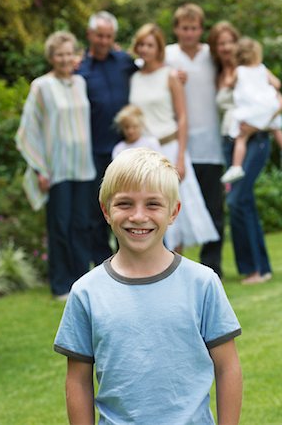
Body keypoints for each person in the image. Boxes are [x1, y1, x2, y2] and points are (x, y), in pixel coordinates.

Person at [54, 148, 242, 425]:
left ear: (173, 212)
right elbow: (78, 381)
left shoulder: (202, 283)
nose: (138, 216)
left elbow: (228, 368)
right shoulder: (86, 293)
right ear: (106, 210)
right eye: (125, 204)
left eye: (153, 204)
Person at [15, 31, 96, 300]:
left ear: (76, 55)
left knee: (82, 225)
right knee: (60, 226)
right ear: (51, 57)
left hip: (84, 167)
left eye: (69, 53)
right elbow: (29, 129)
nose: (64, 59)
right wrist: (40, 168)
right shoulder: (41, 86)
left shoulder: (81, 83)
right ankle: (61, 285)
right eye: (59, 54)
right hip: (56, 170)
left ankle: (82, 282)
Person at [129, 23, 219, 256]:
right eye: (141, 44)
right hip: (144, 152)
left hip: (170, 147)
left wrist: (180, 156)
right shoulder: (134, 77)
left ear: (159, 48)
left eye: (150, 45)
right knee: (148, 206)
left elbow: (182, 117)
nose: (145, 49)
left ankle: (175, 264)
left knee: (174, 210)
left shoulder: (170, 75)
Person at [209, 21, 273, 284]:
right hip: (230, 142)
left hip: (253, 138)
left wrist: (255, 125)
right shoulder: (218, 74)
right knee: (242, 202)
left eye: (229, 42)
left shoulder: (252, 71)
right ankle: (257, 267)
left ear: (237, 43)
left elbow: (278, 102)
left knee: (238, 200)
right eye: (220, 43)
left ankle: (256, 268)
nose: (225, 47)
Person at [165, 3, 225, 278]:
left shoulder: (212, 57)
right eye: (184, 28)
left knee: (214, 208)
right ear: (176, 29)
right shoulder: (167, 56)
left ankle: (212, 267)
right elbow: (140, 69)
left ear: (201, 29)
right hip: (179, 148)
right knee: (177, 208)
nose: (189, 33)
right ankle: (174, 266)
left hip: (211, 145)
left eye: (194, 28)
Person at [77, 11, 138, 265]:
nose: (103, 40)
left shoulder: (125, 61)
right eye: (99, 35)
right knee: (97, 213)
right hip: (94, 151)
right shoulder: (79, 69)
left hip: (126, 150)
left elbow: (151, 70)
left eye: (108, 36)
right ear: (90, 35)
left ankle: (136, 261)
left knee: (132, 207)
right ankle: (104, 267)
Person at [220, 36, 282, 183]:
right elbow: (277, 83)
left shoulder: (239, 70)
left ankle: (236, 166)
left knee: (241, 137)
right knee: (276, 128)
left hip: (250, 110)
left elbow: (229, 83)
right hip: (268, 107)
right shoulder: (262, 69)